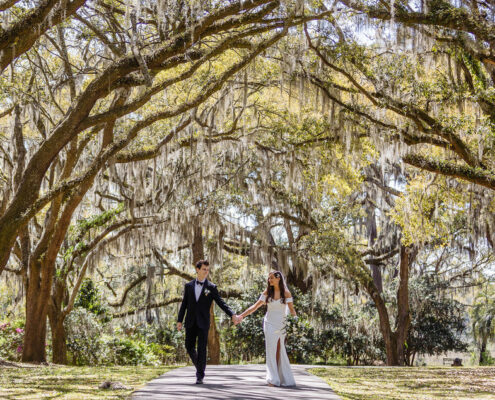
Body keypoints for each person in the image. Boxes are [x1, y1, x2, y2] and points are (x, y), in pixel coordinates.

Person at [177, 259, 241, 384]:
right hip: (190, 322)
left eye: (207, 270)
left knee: (202, 348)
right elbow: (184, 304)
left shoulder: (211, 287)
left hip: (203, 323)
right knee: (189, 346)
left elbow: (221, 303)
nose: (206, 272)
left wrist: (232, 314)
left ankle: (199, 376)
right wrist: (180, 320)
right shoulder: (188, 286)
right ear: (197, 269)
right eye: (204, 269)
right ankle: (200, 367)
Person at [238, 270, 297, 387]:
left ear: (278, 278)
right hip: (269, 323)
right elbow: (254, 307)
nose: (269, 280)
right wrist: (241, 316)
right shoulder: (267, 292)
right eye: (269, 278)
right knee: (271, 349)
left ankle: (282, 377)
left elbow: (292, 310)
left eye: (271, 278)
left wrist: (295, 323)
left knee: (280, 349)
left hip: (281, 324)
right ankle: (273, 379)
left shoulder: (286, 293)